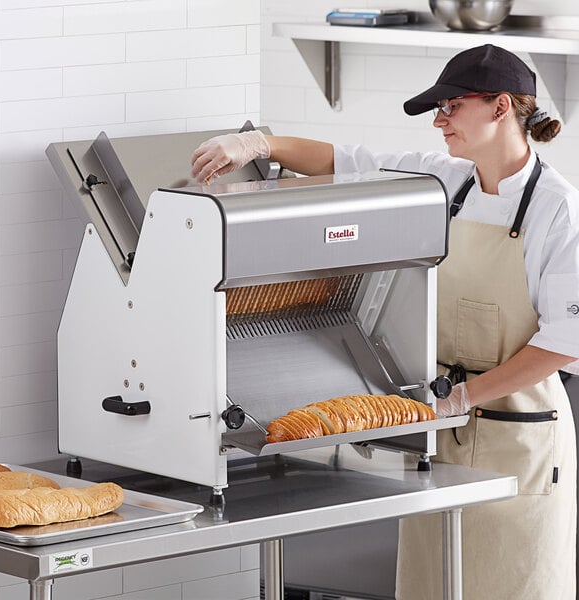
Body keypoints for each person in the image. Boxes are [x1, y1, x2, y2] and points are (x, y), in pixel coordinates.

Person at [191, 44, 579, 599]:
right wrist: (259, 143)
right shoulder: (444, 181)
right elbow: (347, 163)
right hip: (440, 427)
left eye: (451, 106)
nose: (439, 120)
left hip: (517, 433)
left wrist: (466, 398)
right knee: (432, 582)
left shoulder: (558, 210)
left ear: (500, 108)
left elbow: (565, 343)